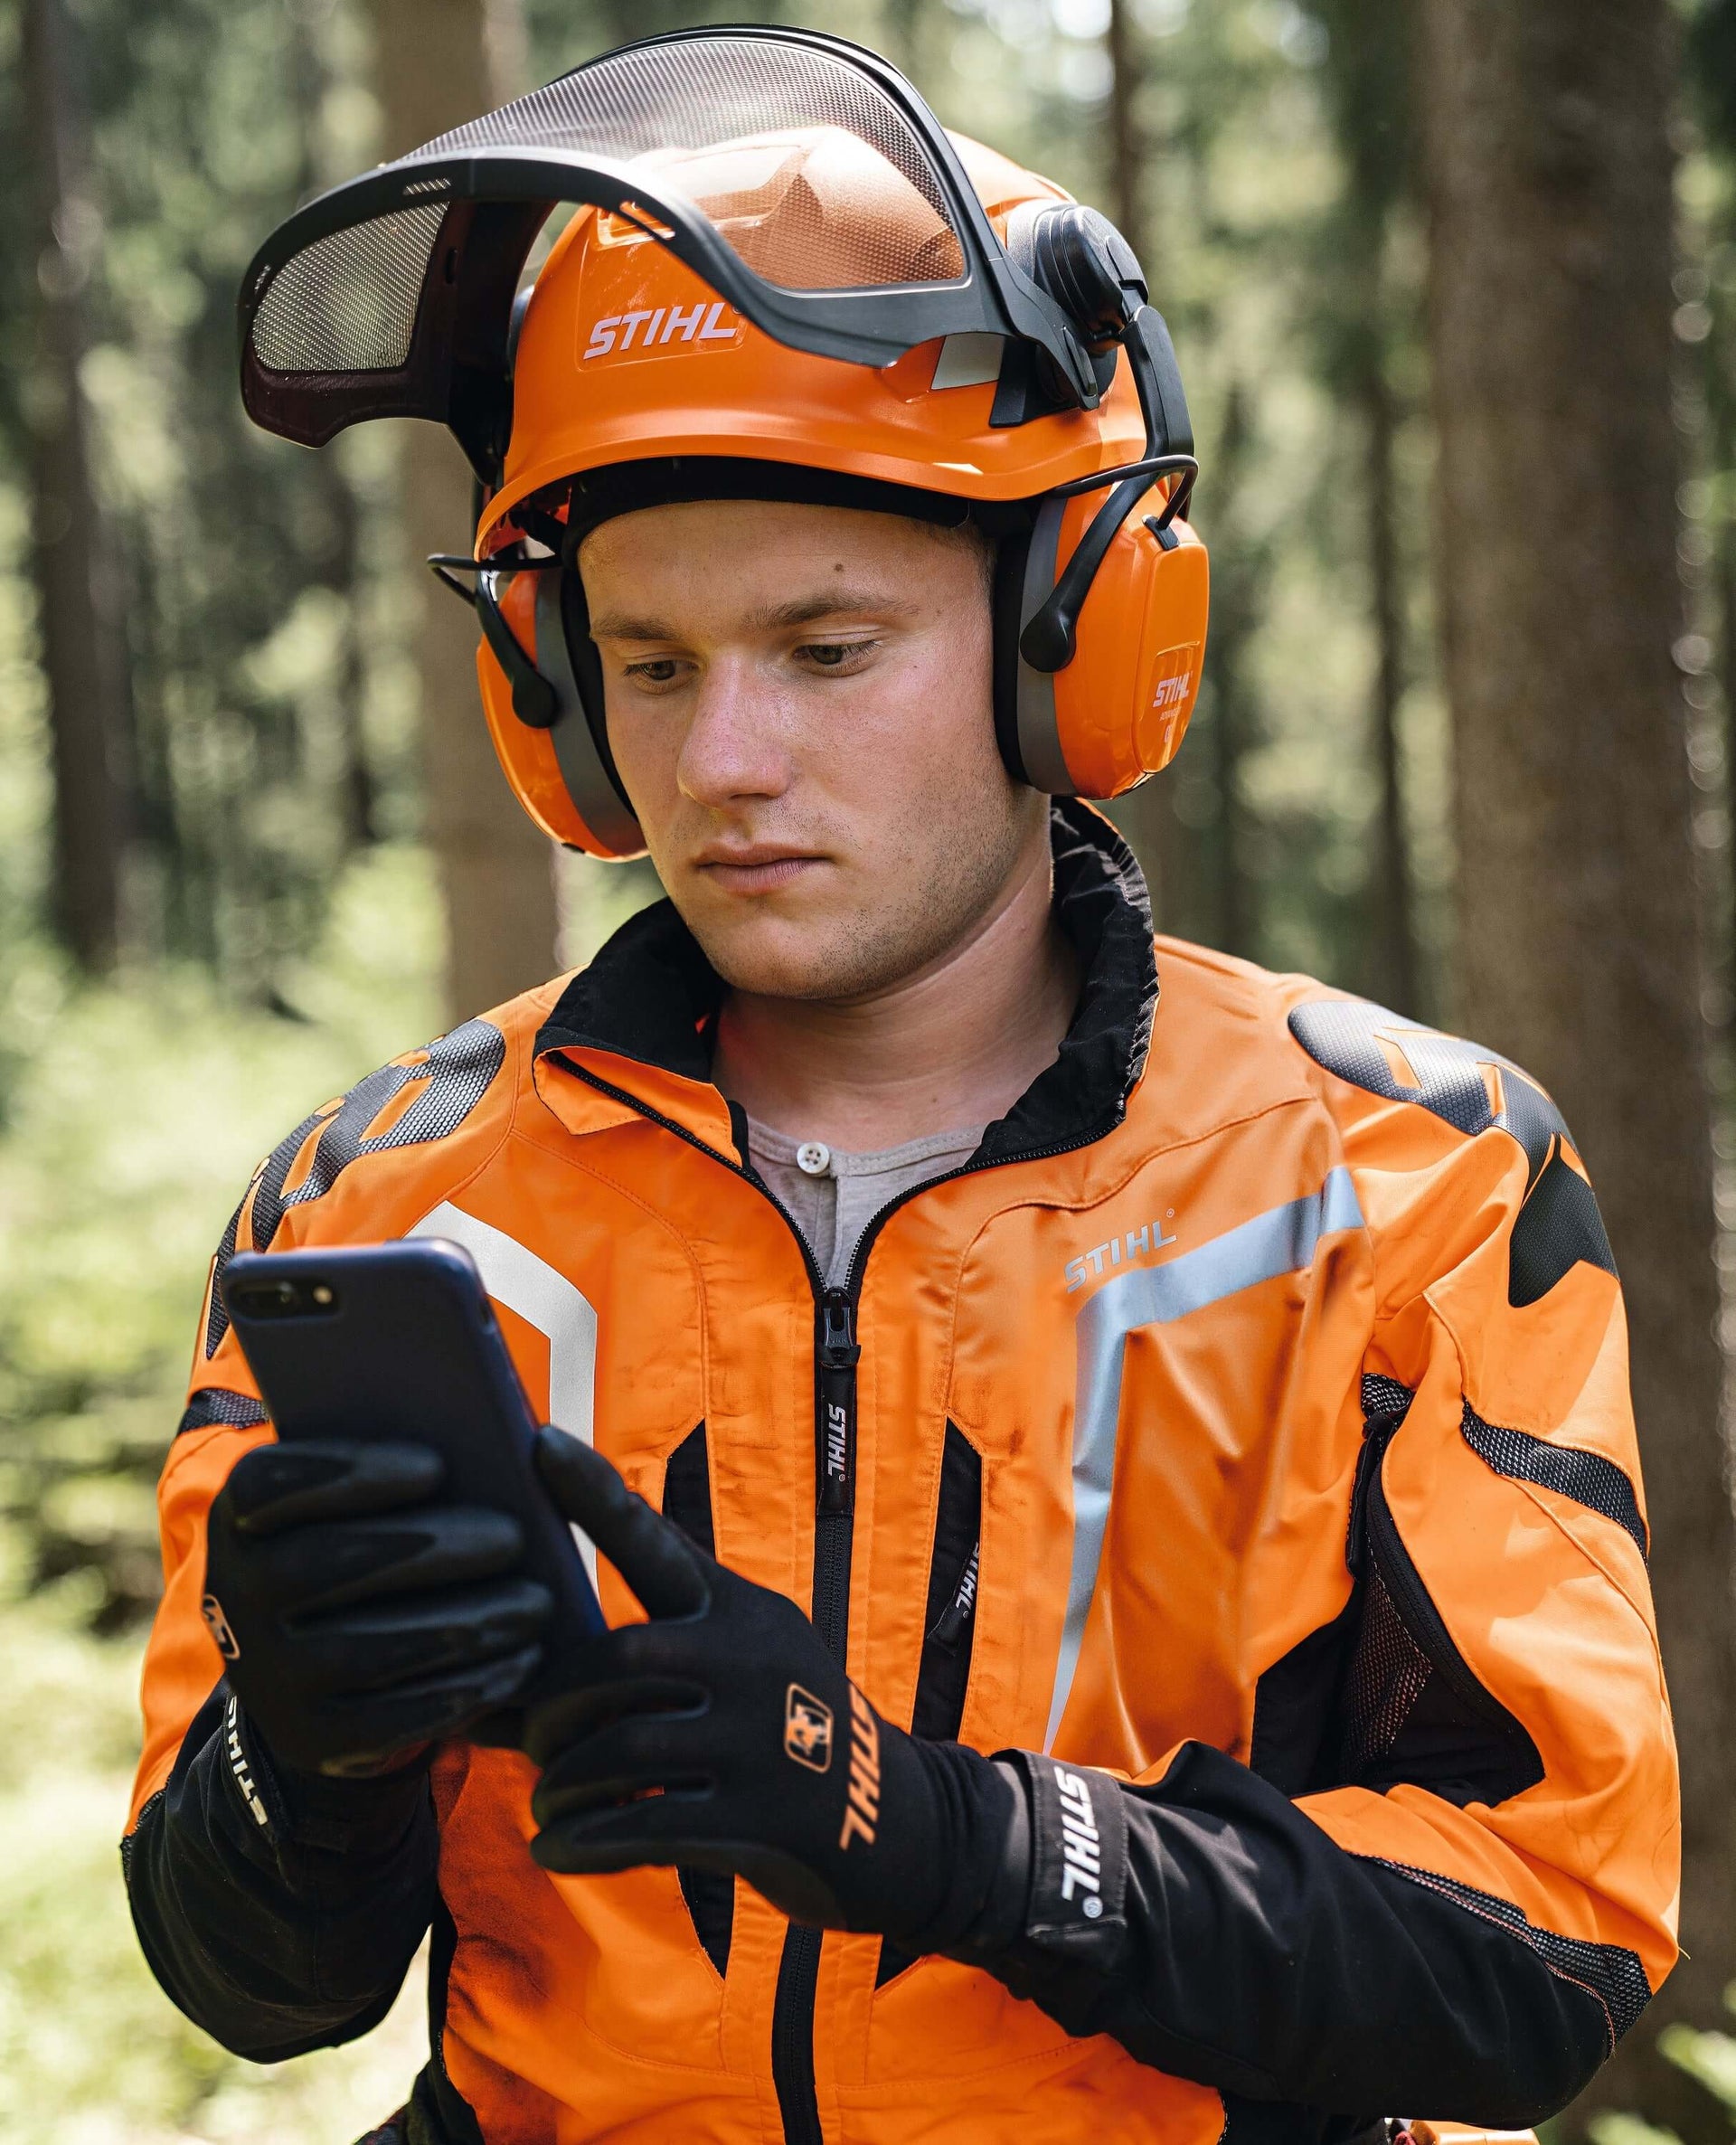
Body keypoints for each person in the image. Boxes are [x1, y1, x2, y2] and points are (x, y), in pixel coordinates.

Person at [124, 28, 1677, 2145]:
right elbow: (252, 1987)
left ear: (1075, 622)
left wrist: (947, 1834)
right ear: (553, 689)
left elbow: (1545, 1953)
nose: (723, 761)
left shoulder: (1396, 1175)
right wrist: (297, 1758)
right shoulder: (386, 1201)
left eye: (828, 649)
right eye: (650, 664)